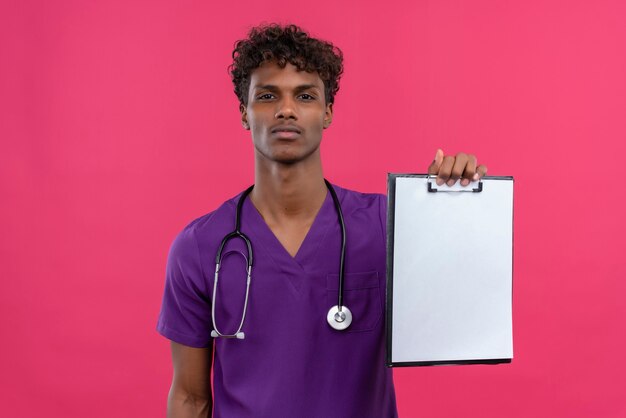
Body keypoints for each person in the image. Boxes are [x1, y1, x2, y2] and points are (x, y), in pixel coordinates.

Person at [156, 23, 487, 418]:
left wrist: (452, 204)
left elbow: (457, 308)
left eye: (305, 95)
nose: (286, 109)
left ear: (327, 112)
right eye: (266, 95)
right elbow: (191, 399)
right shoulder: (199, 247)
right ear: (244, 113)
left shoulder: (388, 226)